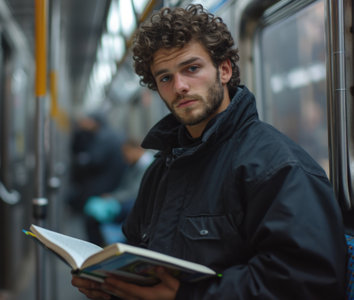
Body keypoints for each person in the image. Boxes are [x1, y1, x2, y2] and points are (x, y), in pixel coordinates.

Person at [72, 4, 347, 299]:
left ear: (225, 70)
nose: (180, 86)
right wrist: (115, 287)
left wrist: (187, 296)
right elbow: (139, 257)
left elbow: (309, 283)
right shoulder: (162, 168)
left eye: (192, 69)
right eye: (165, 78)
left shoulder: (277, 167)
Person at [83, 138, 155, 245]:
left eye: (127, 152)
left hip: (134, 205)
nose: (125, 157)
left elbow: (134, 191)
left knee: (94, 219)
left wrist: (113, 197)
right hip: (129, 203)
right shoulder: (136, 164)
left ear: (137, 150)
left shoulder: (147, 165)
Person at [67, 112, 128, 213]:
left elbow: (95, 160)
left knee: (91, 211)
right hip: (112, 179)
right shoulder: (109, 133)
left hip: (103, 181)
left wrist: (82, 161)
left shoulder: (102, 136)